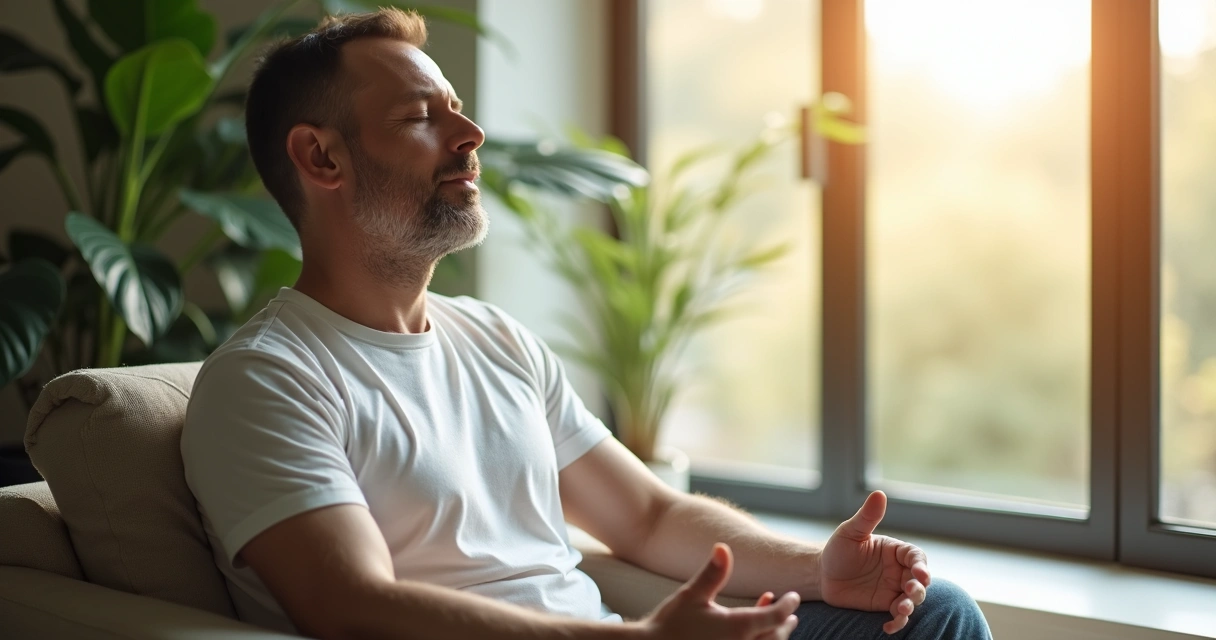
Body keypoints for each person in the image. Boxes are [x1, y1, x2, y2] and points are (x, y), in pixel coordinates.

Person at [181, 8, 991, 640]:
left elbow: (648, 516)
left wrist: (819, 571)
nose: (471, 137)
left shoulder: (495, 340)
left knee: (936, 615)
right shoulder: (266, 380)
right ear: (322, 159)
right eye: (422, 116)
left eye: (458, 108)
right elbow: (352, 608)